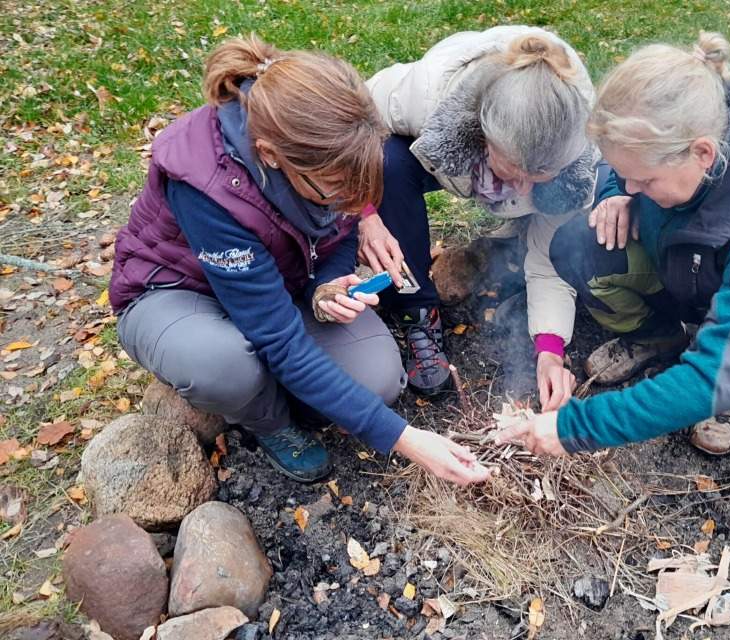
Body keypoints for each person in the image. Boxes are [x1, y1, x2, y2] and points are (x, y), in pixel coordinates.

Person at [109, 35, 490, 486]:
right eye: (334, 192)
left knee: (379, 379)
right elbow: (279, 340)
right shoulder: (206, 188)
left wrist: (324, 287)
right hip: (178, 290)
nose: (346, 204)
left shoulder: (320, 145)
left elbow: (342, 229)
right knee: (225, 364)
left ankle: (286, 387)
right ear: (270, 156)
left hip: (277, 283)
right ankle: (268, 421)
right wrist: (406, 440)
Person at [496, 32, 730, 457]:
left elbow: (719, 372)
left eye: (645, 180)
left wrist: (575, 427)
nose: (633, 187)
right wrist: (614, 193)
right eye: (626, 173)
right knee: (580, 243)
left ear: (703, 154)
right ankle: (660, 337)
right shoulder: (685, 109)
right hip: (693, 258)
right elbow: (623, 172)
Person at [360, 25, 599, 409]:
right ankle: (415, 309)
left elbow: (549, 260)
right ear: (485, 138)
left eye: (537, 179)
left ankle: (509, 240)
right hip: (435, 138)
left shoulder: (573, 157)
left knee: (555, 214)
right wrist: (366, 213)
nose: (523, 189)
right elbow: (349, 121)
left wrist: (550, 348)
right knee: (387, 162)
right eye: (514, 174)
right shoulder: (427, 94)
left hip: (529, 150)